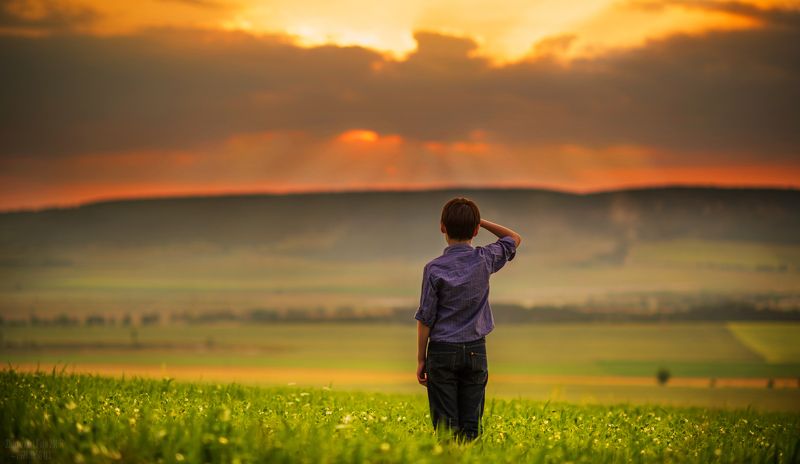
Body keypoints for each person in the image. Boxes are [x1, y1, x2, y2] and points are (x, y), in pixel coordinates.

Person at [414, 197, 522, 441]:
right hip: (475, 351)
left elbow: (426, 318)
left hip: (441, 351)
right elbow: (514, 238)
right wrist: (479, 221)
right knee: (471, 427)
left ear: (442, 227)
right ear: (475, 230)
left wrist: (422, 358)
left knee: (445, 428)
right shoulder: (485, 259)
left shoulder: (433, 268)